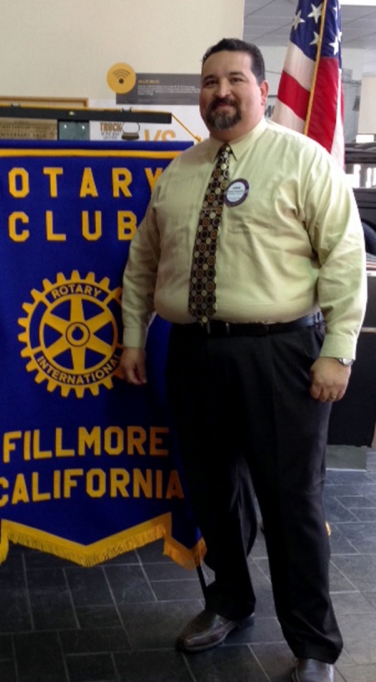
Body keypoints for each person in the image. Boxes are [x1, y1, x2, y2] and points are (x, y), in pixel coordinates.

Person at [120, 38, 366, 682]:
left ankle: (315, 647)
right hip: (194, 355)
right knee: (212, 493)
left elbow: (343, 262)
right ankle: (228, 601)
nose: (220, 91)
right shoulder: (178, 171)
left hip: (282, 356)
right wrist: (133, 337)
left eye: (234, 79)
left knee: (293, 506)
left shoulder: (304, 161)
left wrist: (338, 352)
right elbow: (144, 263)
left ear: (263, 89)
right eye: (209, 82)